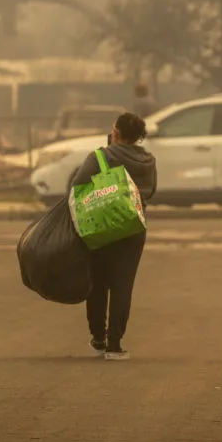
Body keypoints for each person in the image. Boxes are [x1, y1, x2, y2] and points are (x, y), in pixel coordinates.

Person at [70, 113, 157, 361]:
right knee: (123, 286)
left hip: (102, 226)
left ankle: (98, 338)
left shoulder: (101, 156)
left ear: (116, 132)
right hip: (133, 228)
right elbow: (151, 192)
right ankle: (115, 345)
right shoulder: (149, 161)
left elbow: (77, 186)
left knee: (98, 284)